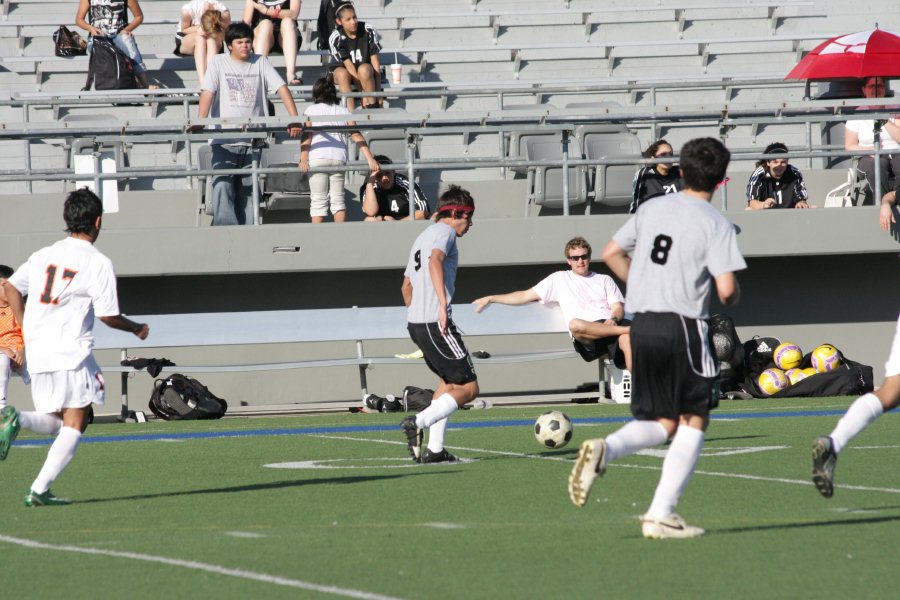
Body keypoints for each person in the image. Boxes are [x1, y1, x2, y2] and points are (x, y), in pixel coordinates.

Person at [569, 137, 746, 539]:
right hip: (683, 325)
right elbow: (726, 291)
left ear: (682, 170)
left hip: (642, 323)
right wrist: (735, 292)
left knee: (664, 421)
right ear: (720, 179)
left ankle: (606, 450)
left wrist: (646, 284)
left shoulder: (652, 208)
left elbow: (613, 252)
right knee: (695, 417)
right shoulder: (714, 222)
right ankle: (661, 514)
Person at [0, 188, 150, 507]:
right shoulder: (97, 262)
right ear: (97, 221)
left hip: (37, 350)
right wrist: (136, 327)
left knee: (57, 420)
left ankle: (19, 421)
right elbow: (109, 316)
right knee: (76, 421)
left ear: (68, 221)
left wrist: (25, 322)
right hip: (69, 350)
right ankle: (39, 487)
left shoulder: (44, 254)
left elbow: (11, 287)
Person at [399, 186, 478, 464]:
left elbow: (405, 286)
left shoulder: (421, 235)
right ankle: (417, 422)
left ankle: (435, 450)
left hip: (417, 324)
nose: (470, 224)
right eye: (468, 217)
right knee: (469, 388)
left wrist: (418, 316)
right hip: (435, 321)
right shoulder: (444, 233)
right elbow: (435, 260)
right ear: (456, 213)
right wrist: (441, 306)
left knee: (447, 383)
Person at [196, 22, 302, 226]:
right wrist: (200, 120)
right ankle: (225, 234)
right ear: (229, 45)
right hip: (224, 139)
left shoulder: (260, 61)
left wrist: (294, 118)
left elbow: (281, 88)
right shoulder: (218, 62)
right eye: (239, 42)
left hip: (253, 140)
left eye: (248, 42)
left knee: (249, 189)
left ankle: (247, 234)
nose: (245, 46)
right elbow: (208, 92)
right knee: (222, 186)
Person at [472, 236, 632, 370]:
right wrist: (491, 298)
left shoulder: (604, 279)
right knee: (575, 324)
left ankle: (642, 393)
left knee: (626, 339)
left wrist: (615, 319)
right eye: (575, 258)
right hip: (589, 337)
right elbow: (524, 295)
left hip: (613, 327)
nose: (580, 261)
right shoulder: (559, 278)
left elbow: (617, 307)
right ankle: (631, 329)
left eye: (584, 256)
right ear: (568, 260)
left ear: (589, 257)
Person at [300, 74, 379, 223]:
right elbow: (356, 135)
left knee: (318, 201)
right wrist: (370, 158)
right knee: (338, 200)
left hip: (318, 157)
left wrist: (303, 159)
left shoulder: (310, 110)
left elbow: (306, 136)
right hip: (338, 158)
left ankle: (317, 238)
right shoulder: (343, 111)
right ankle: (340, 234)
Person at [75, 0, 154, 89]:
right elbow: (79, 19)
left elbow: (139, 16)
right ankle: (134, 84)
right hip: (99, 36)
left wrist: (127, 29)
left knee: (130, 46)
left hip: (118, 35)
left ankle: (145, 85)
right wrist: (91, 29)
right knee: (98, 50)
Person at [845, 76, 900, 199]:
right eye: (871, 86)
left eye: (879, 86)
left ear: (884, 89)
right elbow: (849, 145)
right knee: (877, 167)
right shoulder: (856, 113)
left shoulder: (895, 109)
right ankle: (881, 207)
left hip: (896, 153)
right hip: (869, 157)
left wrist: (884, 119)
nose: (876, 89)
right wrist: (868, 150)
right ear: (864, 90)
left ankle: (896, 202)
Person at [328, 2, 382, 110]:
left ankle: (373, 107)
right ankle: (351, 117)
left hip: (365, 73)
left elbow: (375, 62)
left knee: (364, 69)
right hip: (343, 71)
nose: (353, 22)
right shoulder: (336, 37)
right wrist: (362, 93)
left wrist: (378, 93)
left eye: (354, 17)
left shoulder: (368, 30)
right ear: (339, 22)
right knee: (343, 74)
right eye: (348, 19)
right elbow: (348, 65)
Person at [243, 0, 302, 86]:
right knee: (266, 24)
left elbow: (294, 14)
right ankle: (259, 74)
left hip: (285, 37)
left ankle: (290, 74)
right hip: (262, 36)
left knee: (288, 22)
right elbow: (246, 22)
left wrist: (267, 11)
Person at [175, 0, 231, 86]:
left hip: (214, 39)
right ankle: (204, 85)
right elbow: (184, 30)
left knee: (210, 39)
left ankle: (211, 81)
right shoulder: (188, 10)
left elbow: (225, 35)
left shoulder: (224, 12)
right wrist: (197, 29)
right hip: (187, 36)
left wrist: (213, 33)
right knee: (200, 38)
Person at [360, 156, 430, 221]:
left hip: (405, 224)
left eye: (387, 173)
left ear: (393, 172)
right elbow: (371, 212)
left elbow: (424, 211)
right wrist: (369, 184)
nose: (384, 178)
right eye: (379, 175)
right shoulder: (369, 187)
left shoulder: (405, 183)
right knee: (369, 220)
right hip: (382, 226)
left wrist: (396, 224)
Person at [746, 142, 811, 210]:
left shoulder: (795, 173)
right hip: (764, 215)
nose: (779, 166)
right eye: (775, 162)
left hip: (790, 215)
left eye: (783, 162)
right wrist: (764, 204)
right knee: (748, 209)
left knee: (813, 207)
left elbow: (801, 198)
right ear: (768, 162)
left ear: (787, 161)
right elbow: (752, 203)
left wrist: (801, 203)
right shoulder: (759, 174)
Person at [0, 265, 29, 409]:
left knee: (41, 370)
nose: (8, 290)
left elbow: (30, 331)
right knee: (2, 361)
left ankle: (63, 407)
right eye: (3, 285)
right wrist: (4, 349)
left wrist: (22, 351)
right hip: (3, 352)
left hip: (22, 352)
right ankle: (1, 408)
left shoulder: (20, 306)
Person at [630, 139, 683, 213]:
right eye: (663, 154)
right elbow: (636, 204)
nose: (668, 157)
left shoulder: (680, 172)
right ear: (653, 158)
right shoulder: (645, 174)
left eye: (670, 154)